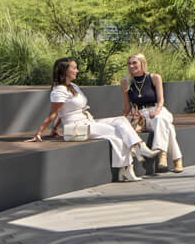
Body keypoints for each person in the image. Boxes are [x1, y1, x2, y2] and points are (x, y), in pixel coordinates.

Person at [30, 57, 160, 182]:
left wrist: (54, 128)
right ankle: (127, 167)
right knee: (115, 132)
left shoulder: (73, 86)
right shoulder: (59, 90)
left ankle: (137, 149)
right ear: (65, 71)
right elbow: (54, 113)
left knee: (121, 121)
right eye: (74, 68)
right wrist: (39, 133)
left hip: (87, 121)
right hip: (76, 126)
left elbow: (61, 111)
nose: (77, 70)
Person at [122, 53, 183, 173]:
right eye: (129, 63)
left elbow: (161, 100)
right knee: (168, 127)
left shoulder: (154, 77)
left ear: (142, 63)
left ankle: (161, 154)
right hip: (141, 116)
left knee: (160, 119)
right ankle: (177, 160)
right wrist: (121, 119)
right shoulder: (125, 82)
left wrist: (157, 111)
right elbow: (127, 106)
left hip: (157, 110)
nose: (131, 66)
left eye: (134, 62)